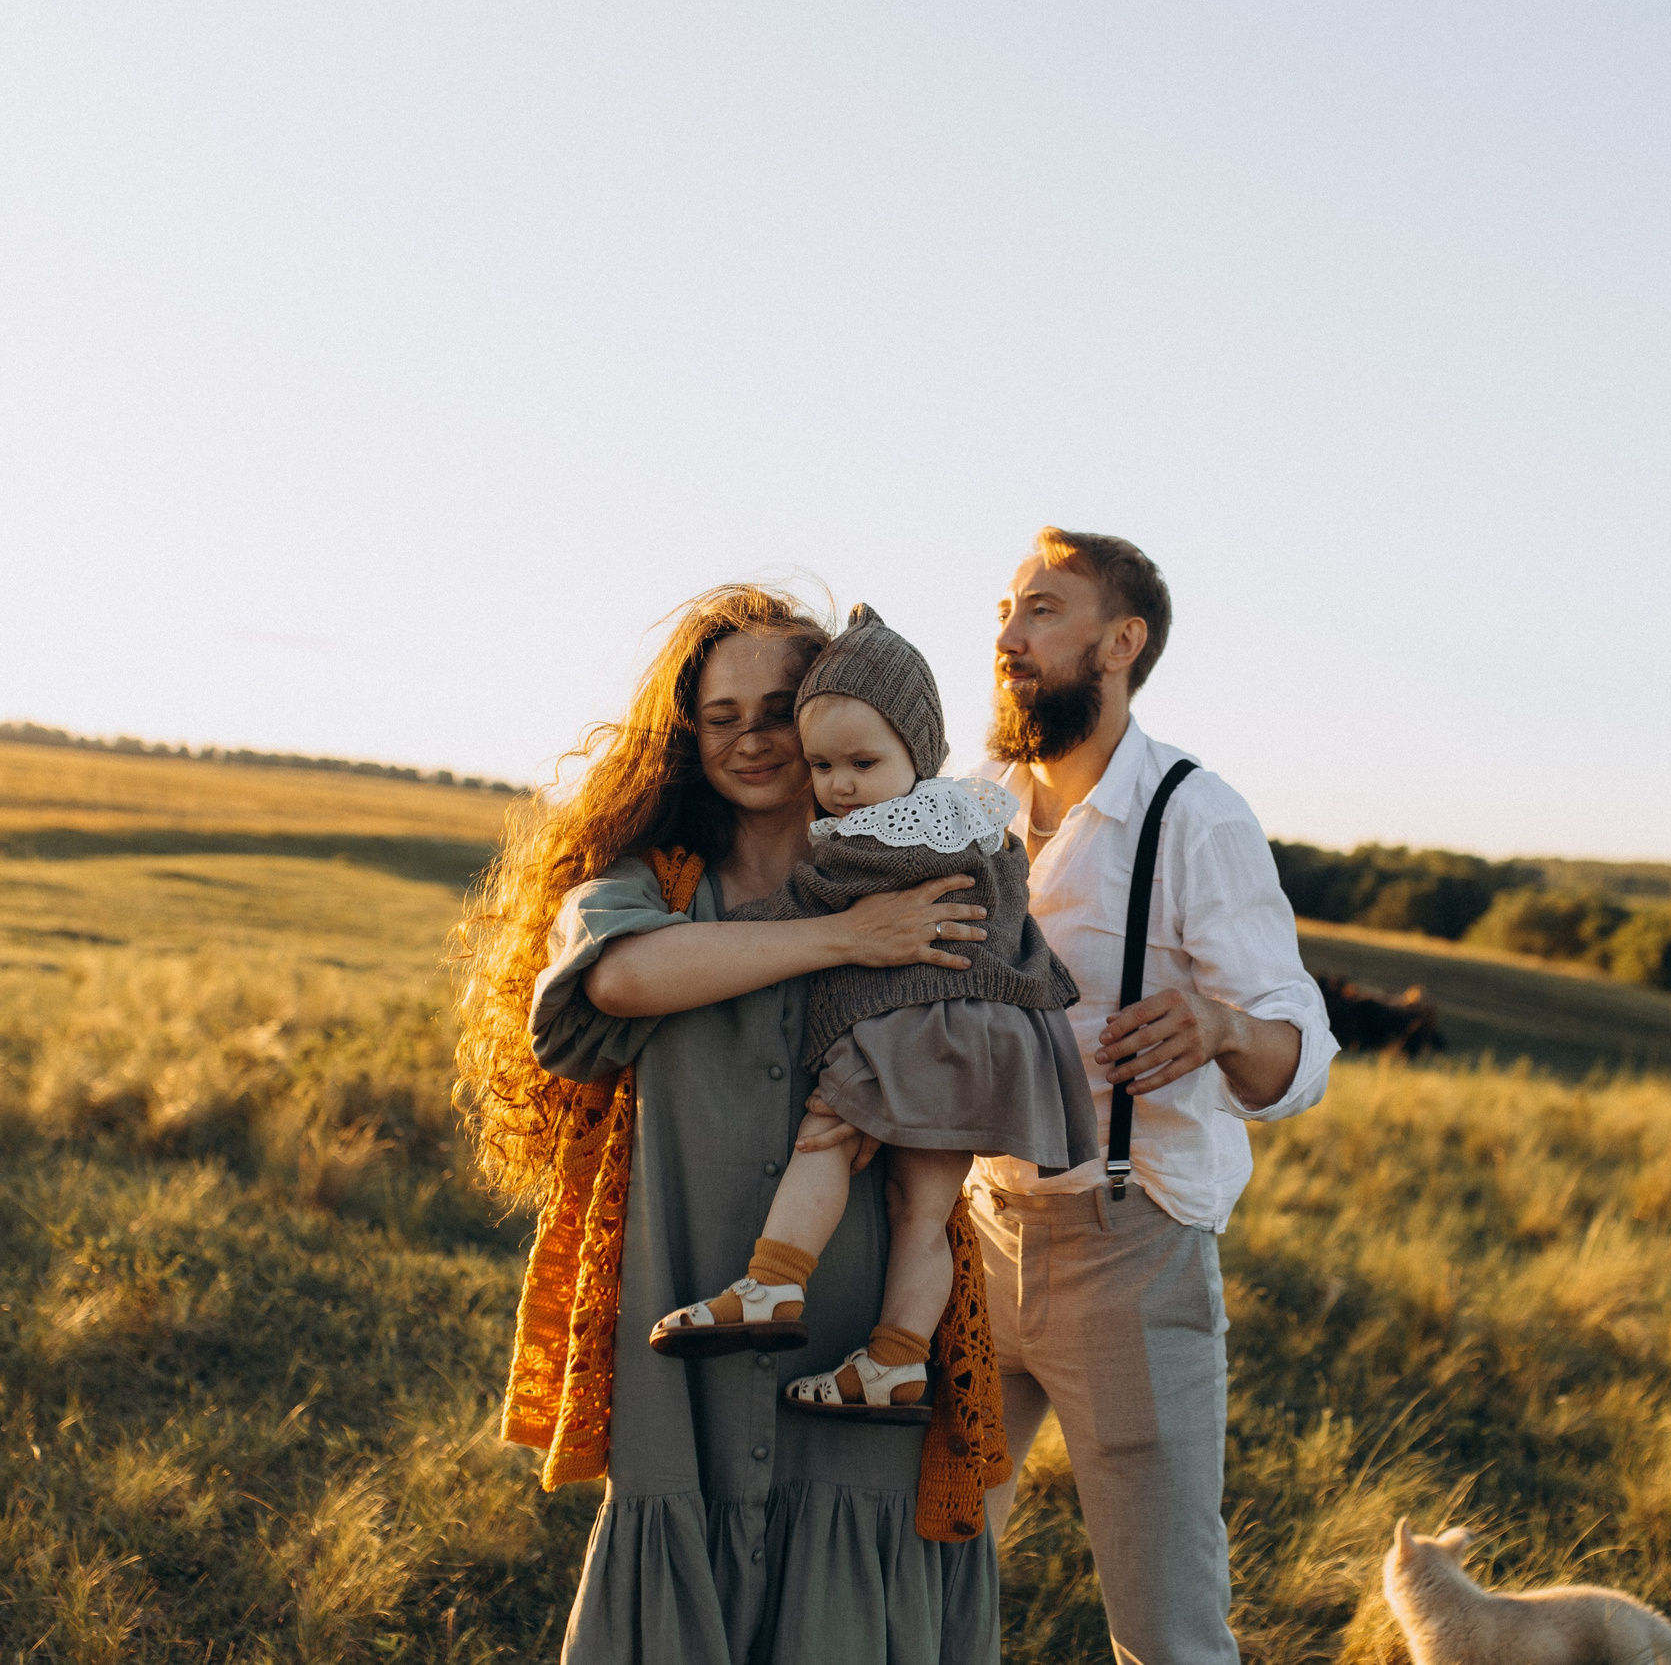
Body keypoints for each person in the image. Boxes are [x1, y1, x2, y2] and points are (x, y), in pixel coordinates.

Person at [450, 584, 1003, 1665]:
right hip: (682, 1325)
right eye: (720, 715)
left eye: (780, 706)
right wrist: (848, 938)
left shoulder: (934, 878)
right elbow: (616, 981)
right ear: (684, 735)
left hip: (860, 1330)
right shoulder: (647, 882)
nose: (752, 738)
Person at [966, 529, 1340, 1665]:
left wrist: (1223, 1027)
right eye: (1002, 612)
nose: (1008, 635)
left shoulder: (1194, 814)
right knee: (917, 1574)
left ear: (1120, 642)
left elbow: (1298, 1053)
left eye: (1040, 609)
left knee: (1166, 1626)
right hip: (967, 1235)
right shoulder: (965, 801)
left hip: (1130, 1250)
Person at [648, 605, 1095, 1422]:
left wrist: (704, 936)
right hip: (993, 1043)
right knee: (923, 1208)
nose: (842, 784)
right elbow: (1011, 918)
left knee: (826, 1139)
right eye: (823, 764)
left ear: (917, 754)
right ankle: (895, 1358)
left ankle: (773, 1283)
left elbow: (798, 908)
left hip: (913, 1028)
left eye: (863, 760)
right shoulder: (981, 822)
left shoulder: (872, 840)